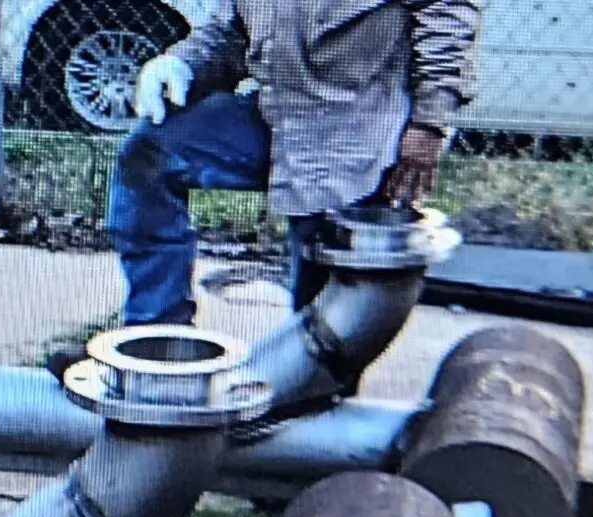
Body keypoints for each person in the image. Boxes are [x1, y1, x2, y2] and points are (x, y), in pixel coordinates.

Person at [52, 0, 482, 403]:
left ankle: (312, 412)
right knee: (151, 154)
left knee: (327, 316)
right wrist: (182, 63)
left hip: (358, 127)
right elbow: (232, 30)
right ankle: (155, 350)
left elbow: (449, 11)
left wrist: (429, 123)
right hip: (275, 113)